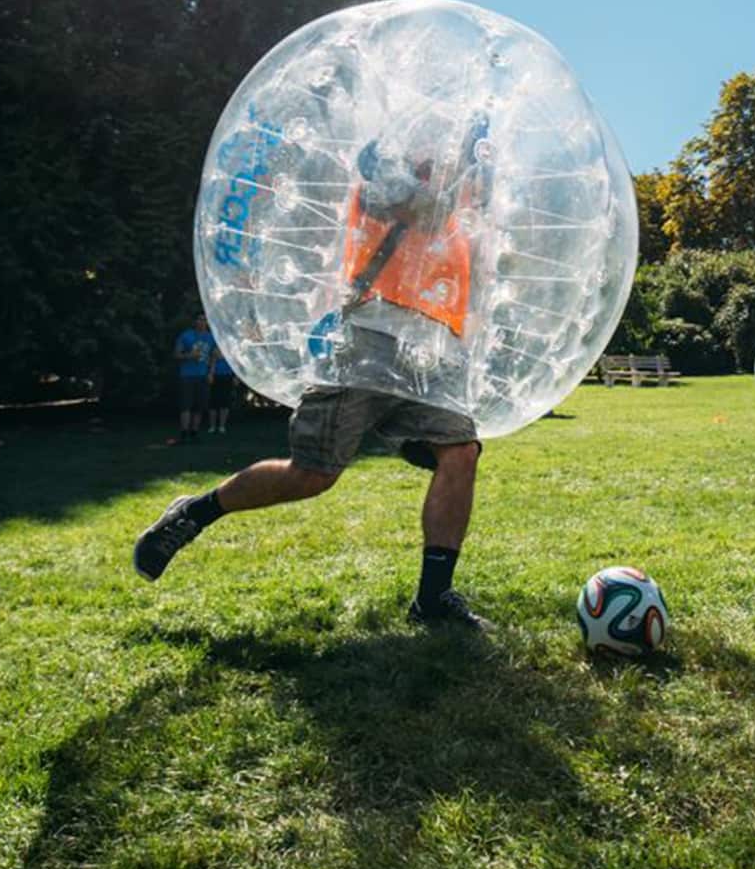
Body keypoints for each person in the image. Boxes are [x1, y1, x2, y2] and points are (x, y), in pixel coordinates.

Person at [134, 116, 493, 629]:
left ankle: (432, 599)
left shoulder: (460, 190)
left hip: (431, 349)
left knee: (461, 453)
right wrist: (460, 168)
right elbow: (422, 212)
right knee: (312, 475)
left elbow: (470, 259)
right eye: (438, 133)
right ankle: (194, 512)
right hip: (366, 339)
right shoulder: (381, 165)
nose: (445, 142)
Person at [172, 313, 216, 443]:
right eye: (200, 319)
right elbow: (176, 354)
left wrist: (211, 373)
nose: (202, 322)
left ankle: (194, 433)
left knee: (199, 406)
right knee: (186, 405)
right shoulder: (186, 335)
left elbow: (213, 356)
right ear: (195, 321)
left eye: (205, 320)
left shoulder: (211, 337)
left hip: (203, 376)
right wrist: (189, 355)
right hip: (187, 375)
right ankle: (184, 433)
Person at [205, 335, 237, 435]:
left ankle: (222, 426)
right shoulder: (215, 344)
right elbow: (213, 360)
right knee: (213, 402)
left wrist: (235, 376)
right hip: (216, 376)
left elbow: (234, 362)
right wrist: (211, 374)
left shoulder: (231, 346)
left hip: (228, 375)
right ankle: (212, 426)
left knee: (225, 401)